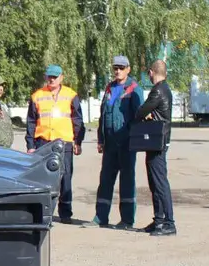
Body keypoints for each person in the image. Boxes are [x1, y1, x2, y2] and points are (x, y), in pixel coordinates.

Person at [25, 64, 85, 224]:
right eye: (49, 76)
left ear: (61, 78)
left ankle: (65, 213)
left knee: (65, 178)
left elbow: (77, 120)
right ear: (46, 77)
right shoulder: (37, 96)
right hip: (42, 142)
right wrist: (30, 144)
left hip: (64, 142)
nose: (52, 79)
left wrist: (78, 141)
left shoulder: (71, 95)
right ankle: (44, 212)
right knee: (43, 178)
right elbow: (31, 121)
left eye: (55, 77)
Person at [92, 55, 144, 230]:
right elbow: (103, 115)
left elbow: (138, 117)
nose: (118, 71)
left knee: (127, 180)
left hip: (126, 142)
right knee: (105, 179)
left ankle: (127, 220)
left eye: (121, 68)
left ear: (128, 69)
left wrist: (133, 139)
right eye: (115, 67)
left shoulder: (134, 89)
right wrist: (101, 139)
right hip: (110, 143)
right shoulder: (109, 88)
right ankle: (100, 217)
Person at [134, 59, 176, 236]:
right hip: (157, 141)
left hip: (157, 141)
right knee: (154, 181)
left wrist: (145, 114)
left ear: (152, 72)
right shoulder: (165, 89)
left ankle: (169, 223)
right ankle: (158, 220)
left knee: (160, 183)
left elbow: (140, 111)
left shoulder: (157, 90)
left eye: (149, 73)